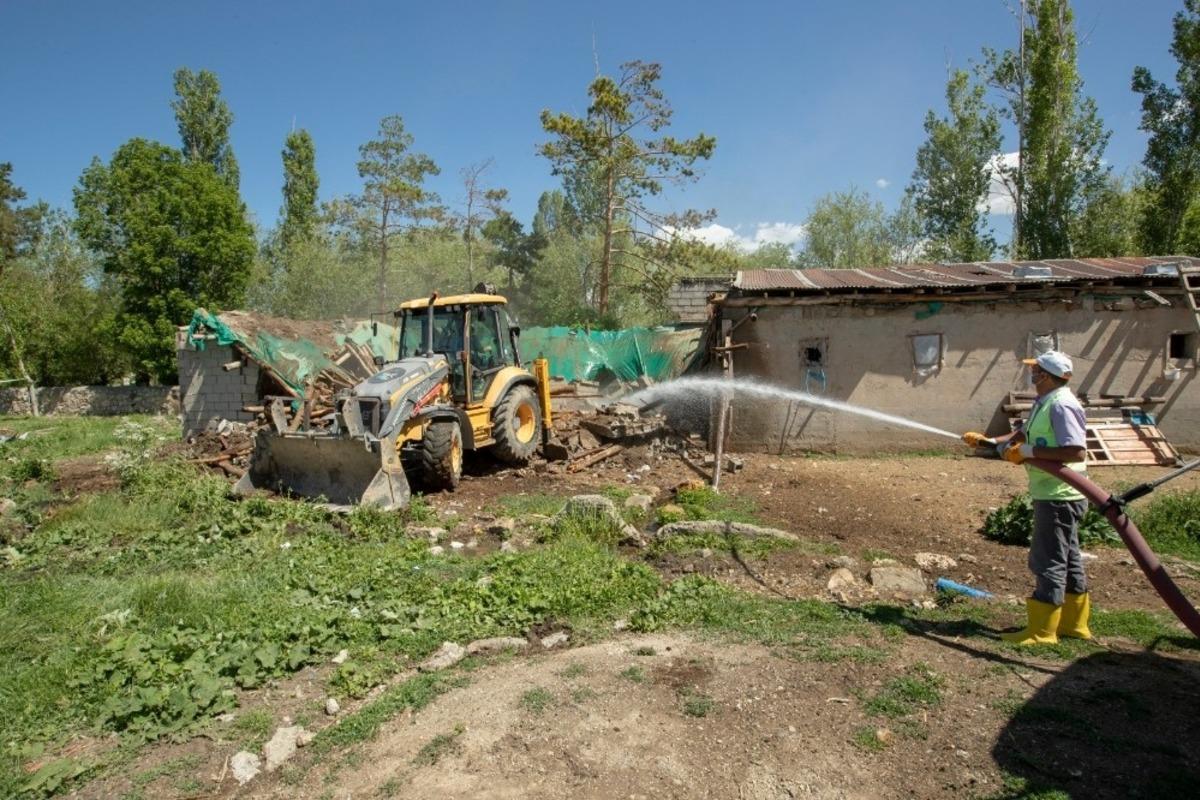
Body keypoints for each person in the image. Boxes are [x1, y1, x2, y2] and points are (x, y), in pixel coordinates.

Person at [962, 351, 1092, 645]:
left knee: (1048, 560)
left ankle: (1042, 632)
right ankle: (1073, 625)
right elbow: (1022, 435)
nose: (1031, 376)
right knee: (1068, 558)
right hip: (1057, 492)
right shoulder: (1045, 403)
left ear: (1045, 376)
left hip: (1059, 495)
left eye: (1035, 371)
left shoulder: (1061, 406)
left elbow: (1076, 451)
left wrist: (1029, 453)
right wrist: (989, 442)